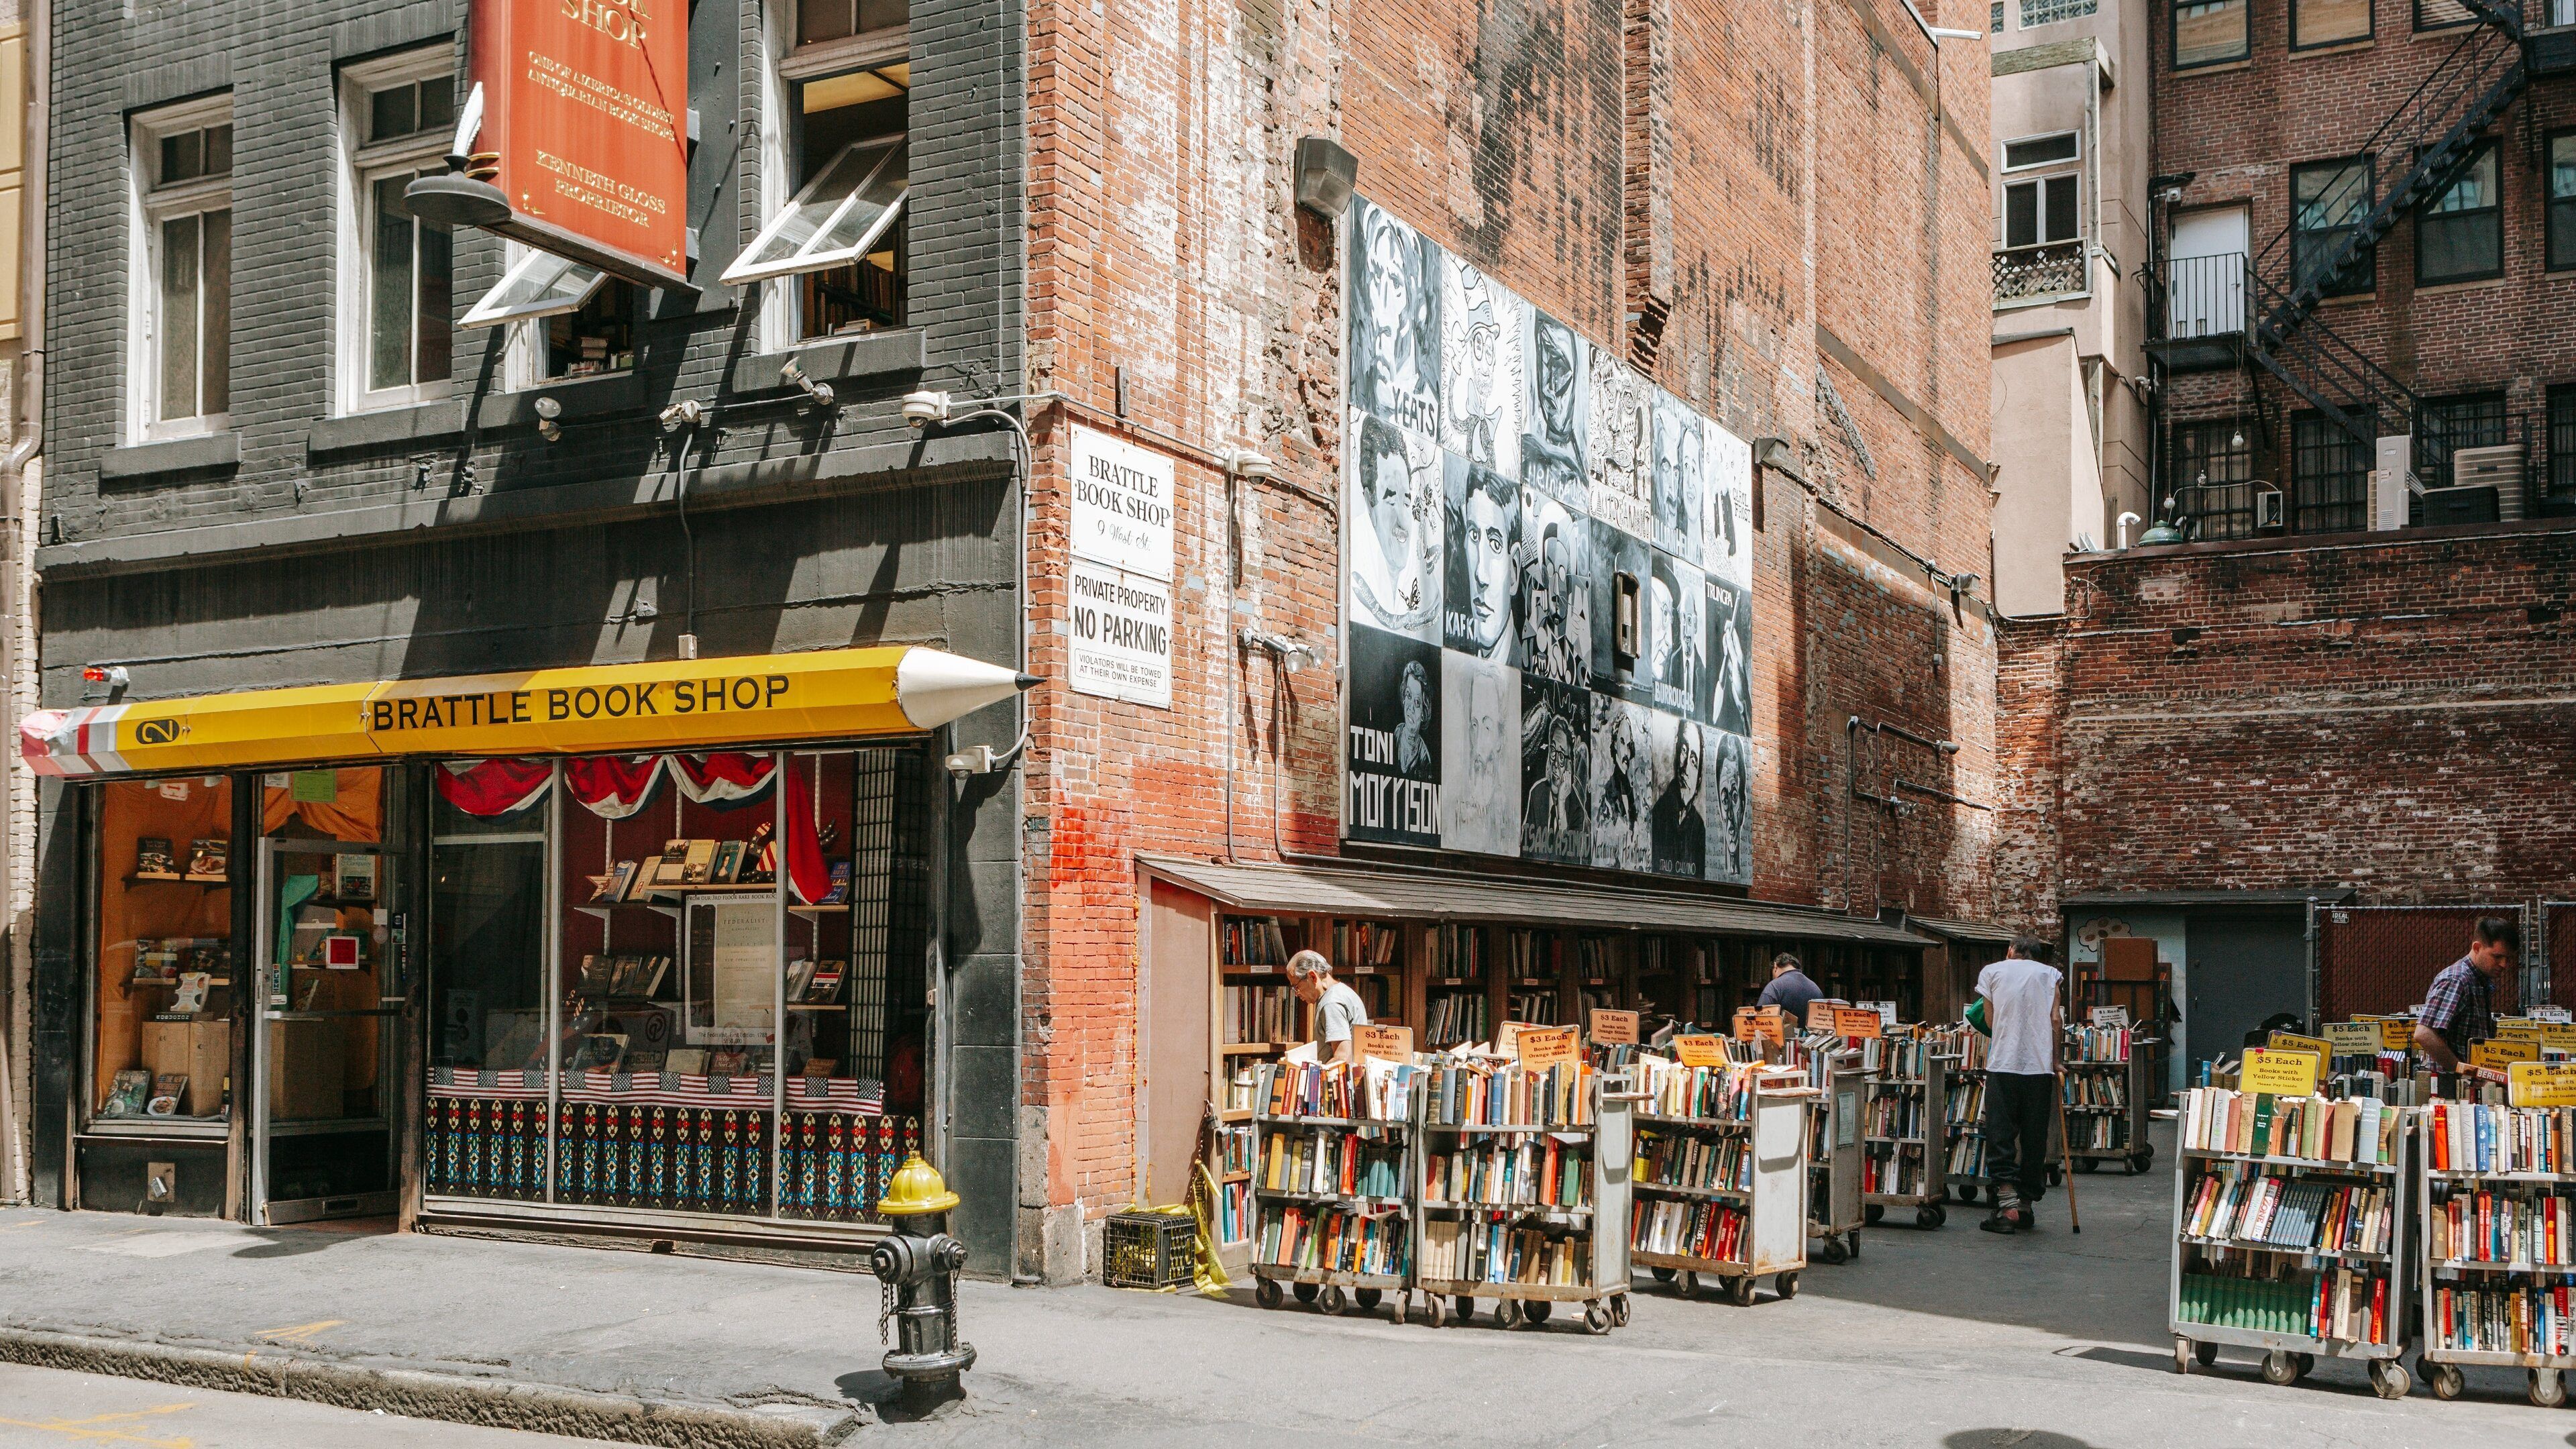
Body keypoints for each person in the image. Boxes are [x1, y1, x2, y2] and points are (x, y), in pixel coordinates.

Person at [1977, 934, 2065, 1235]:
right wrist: (2055, 1061)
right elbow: (2056, 1021)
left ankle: (2006, 1204)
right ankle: (2026, 1204)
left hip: (2004, 1064)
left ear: (2010, 951)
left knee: (2001, 1132)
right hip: (2038, 1067)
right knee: (2034, 1135)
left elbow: (1990, 1020)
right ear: (2037, 956)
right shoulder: (2051, 975)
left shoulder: (1991, 971)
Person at [2412, 916, 2515, 1073]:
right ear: (2477, 948)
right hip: (2451, 1088)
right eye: (2497, 956)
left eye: (2508, 958)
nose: (2504, 964)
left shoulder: (2478, 980)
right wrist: (2463, 1071)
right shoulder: (2458, 980)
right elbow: (2424, 1033)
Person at [1287, 950, 1371, 1063]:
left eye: (1296, 987)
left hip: (1340, 1080)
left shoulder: (1331, 1003)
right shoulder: (1343, 991)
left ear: (1312, 977)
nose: (1296, 994)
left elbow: (1342, 1059)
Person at [1756, 952, 1822, 1030]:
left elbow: (1759, 1020)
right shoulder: (1815, 987)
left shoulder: (1775, 986)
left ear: (1775, 966)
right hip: (1812, 1040)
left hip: (1783, 1040)